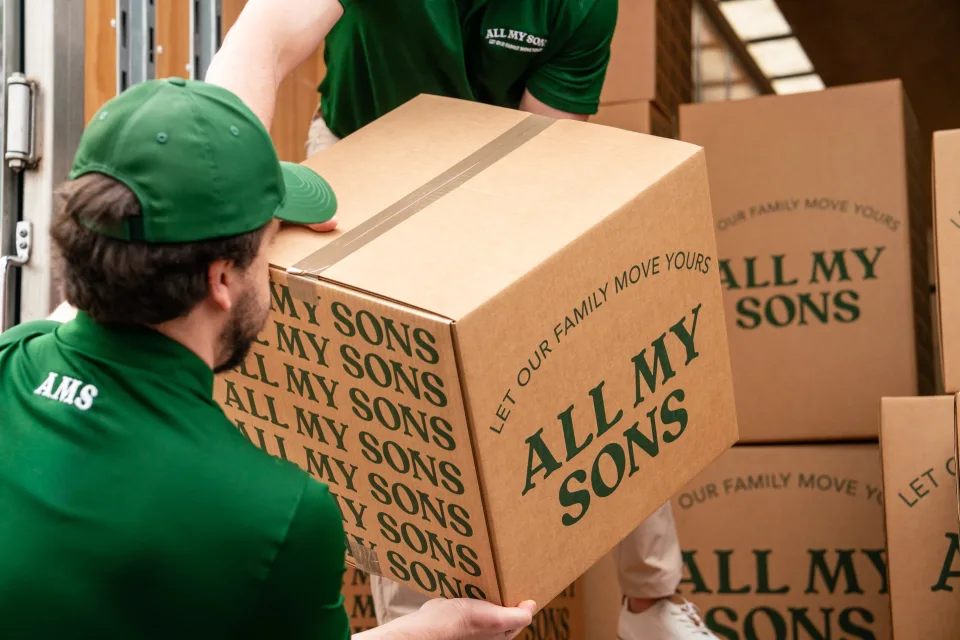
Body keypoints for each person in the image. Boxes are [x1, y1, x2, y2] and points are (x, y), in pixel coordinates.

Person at [207, 2, 717, 638]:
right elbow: (263, 38)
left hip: (500, 157)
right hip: (364, 141)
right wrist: (224, 190)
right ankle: (421, 626)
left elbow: (537, 149)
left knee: (590, 323)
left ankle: (651, 601)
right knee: (393, 372)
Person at [0, 77, 537, 640]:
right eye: (268, 245)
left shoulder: (13, 358)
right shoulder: (276, 515)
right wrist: (440, 629)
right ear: (221, 279)